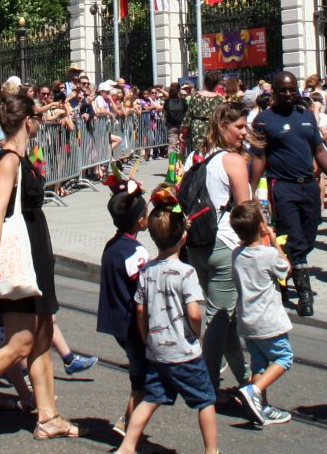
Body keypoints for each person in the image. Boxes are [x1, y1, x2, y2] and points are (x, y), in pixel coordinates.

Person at [0, 94, 77, 440]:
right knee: (20, 343)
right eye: (38, 117)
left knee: (42, 338)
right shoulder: (8, 161)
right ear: (28, 121)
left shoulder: (20, 157)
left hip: (36, 253)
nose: (40, 123)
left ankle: (49, 417)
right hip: (18, 257)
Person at [114, 188, 219, 454]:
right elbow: (194, 313)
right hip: (184, 351)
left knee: (150, 398)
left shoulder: (147, 270)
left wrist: (147, 335)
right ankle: (211, 450)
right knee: (205, 400)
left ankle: (127, 446)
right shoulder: (186, 273)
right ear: (185, 237)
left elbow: (140, 310)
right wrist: (198, 333)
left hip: (157, 349)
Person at [248, 71, 327, 317]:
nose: (288, 94)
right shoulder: (264, 121)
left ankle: (282, 273)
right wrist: (250, 192)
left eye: (292, 89)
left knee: (307, 239)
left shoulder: (307, 116)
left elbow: (319, 149)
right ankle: (304, 293)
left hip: (308, 186)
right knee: (296, 239)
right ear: (274, 92)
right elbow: (258, 158)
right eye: (283, 90)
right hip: (283, 186)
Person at [189, 101, 251, 393]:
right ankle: (208, 385)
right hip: (225, 244)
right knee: (219, 320)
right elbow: (245, 211)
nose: (244, 132)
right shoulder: (233, 161)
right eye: (239, 127)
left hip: (199, 247)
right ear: (223, 127)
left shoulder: (196, 158)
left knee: (224, 320)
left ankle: (247, 382)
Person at [229, 201, 294, 427]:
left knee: (259, 365)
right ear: (260, 227)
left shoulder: (236, 254)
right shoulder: (268, 254)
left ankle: (261, 407)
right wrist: (275, 241)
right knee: (284, 358)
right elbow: (286, 269)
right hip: (268, 321)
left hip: (247, 321)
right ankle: (253, 390)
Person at [98, 188, 151, 438]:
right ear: (140, 221)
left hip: (117, 320)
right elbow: (144, 290)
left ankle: (129, 424)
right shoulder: (137, 253)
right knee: (143, 380)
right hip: (134, 324)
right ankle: (129, 429)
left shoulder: (112, 246)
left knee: (140, 375)